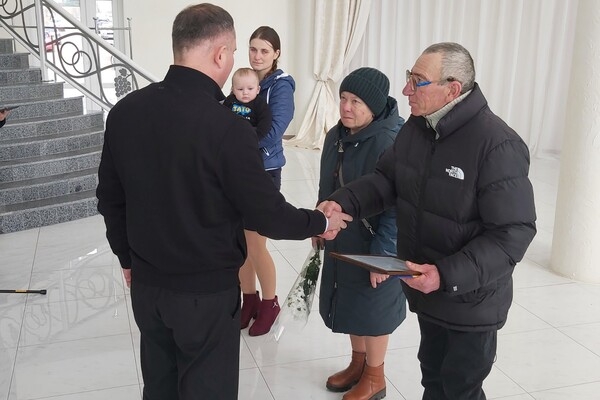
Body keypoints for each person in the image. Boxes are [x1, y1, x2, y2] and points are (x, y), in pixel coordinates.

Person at [96, 4, 351, 400]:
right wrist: (320, 222)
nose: (233, 60)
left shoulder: (125, 112)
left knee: (160, 388)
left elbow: (110, 199)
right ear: (219, 54)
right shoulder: (227, 127)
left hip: (148, 288)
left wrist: (127, 258)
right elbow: (266, 213)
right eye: (233, 51)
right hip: (205, 295)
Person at [320, 42, 537, 400]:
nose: (406, 90)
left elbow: (513, 233)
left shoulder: (496, 144)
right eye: (409, 77)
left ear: (452, 89)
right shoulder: (418, 128)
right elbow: (386, 181)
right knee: (433, 381)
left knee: (460, 389)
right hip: (427, 290)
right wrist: (342, 203)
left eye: (417, 81)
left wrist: (445, 275)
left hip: (469, 300)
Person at [316, 67, 407, 400]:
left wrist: (384, 255)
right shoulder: (336, 136)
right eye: (343, 98)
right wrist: (319, 221)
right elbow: (327, 187)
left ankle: (375, 376)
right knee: (351, 301)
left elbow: (399, 207)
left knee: (375, 308)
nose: (346, 107)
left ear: (375, 105)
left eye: (356, 101)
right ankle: (358, 363)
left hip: (379, 243)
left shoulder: (390, 142)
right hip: (343, 236)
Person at [239, 26, 295, 336]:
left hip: (264, 172)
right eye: (253, 49)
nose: (257, 56)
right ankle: (249, 300)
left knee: (256, 243)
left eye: (264, 50)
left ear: (276, 54)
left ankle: (270, 303)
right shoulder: (245, 81)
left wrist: (236, 145)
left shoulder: (281, 87)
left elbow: (274, 131)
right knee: (239, 242)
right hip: (239, 170)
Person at [223, 67, 272, 139]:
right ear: (233, 90)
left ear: (258, 89)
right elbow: (222, 118)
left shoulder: (260, 103)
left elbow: (265, 122)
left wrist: (256, 137)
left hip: (251, 136)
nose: (245, 92)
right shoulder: (229, 100)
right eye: (240, 89)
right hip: (230, 135)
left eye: (250, 89)